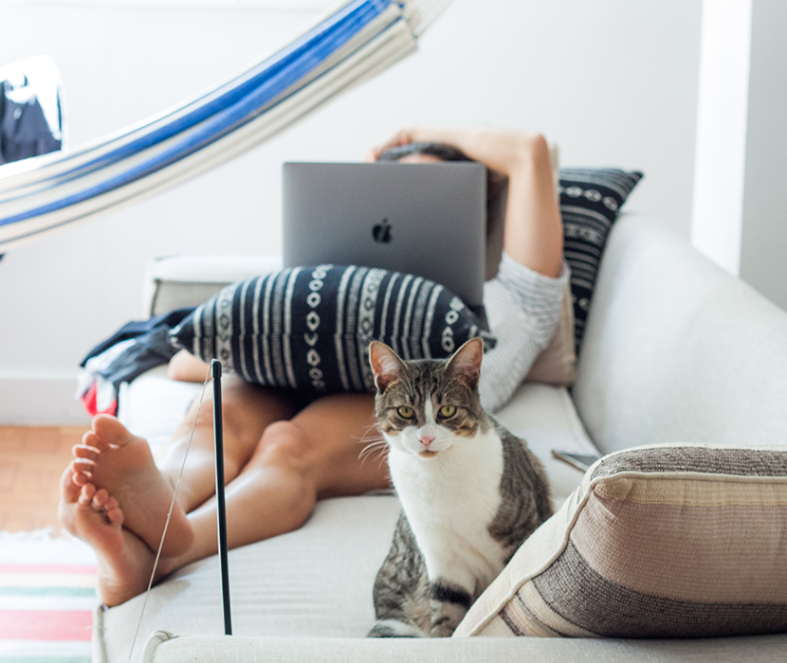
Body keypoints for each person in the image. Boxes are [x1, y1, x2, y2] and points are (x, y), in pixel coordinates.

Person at [57, 126, 569, 607]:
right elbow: (185, 364)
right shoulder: (332, 288)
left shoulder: (509, 303)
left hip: (411, 399)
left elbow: (532, 150)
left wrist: (424, 135)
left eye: (426, 196)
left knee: (289, 446)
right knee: (216, 417)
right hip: (309, 368)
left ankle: (169, 549)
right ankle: (161, 490)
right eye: (392, 196)